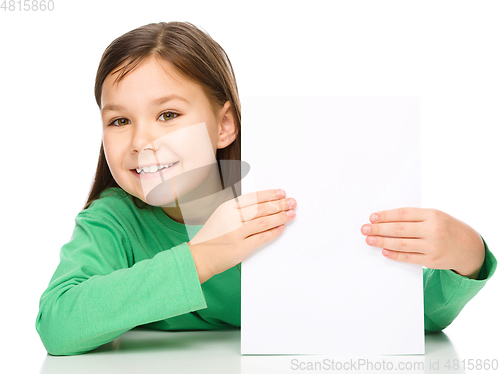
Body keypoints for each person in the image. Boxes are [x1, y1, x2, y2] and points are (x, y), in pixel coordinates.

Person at [35, 21, 497, 356]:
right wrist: (205, 255)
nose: (140, 142)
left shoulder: (285, 202)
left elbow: (414, 321)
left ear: (224, 125)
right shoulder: (113, 220)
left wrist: (467, 253)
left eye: (168, 115)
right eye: (119, 120)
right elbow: (59, 325)